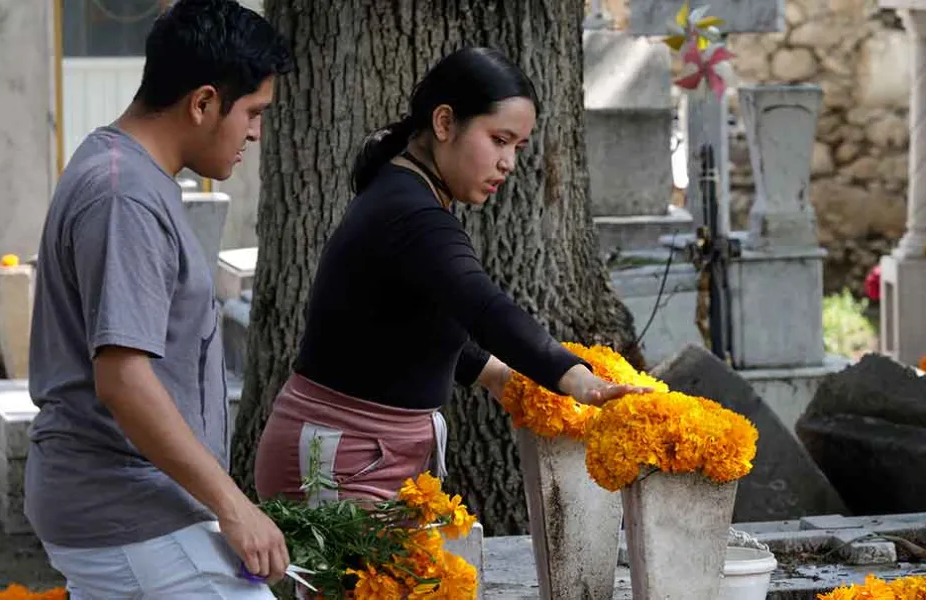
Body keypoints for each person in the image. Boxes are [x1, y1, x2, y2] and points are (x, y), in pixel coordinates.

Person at [253, 47, 649, 505]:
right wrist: (578, 379)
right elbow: (482, 307)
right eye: (499, 140)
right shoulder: (412, 212)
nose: (509, 164)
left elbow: (401, 319)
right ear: (444, 123)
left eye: (517, 148)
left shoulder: (406, 194)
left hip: (367, 452)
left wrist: (494, 373)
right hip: (339, 456)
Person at [23, 1, 295, 597]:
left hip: (124, 507)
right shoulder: (124, 196)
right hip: (128, 509)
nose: (256, 132)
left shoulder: (131, 177)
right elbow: (122, 379)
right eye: (251, 112)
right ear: (202, 103)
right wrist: (232, 505)